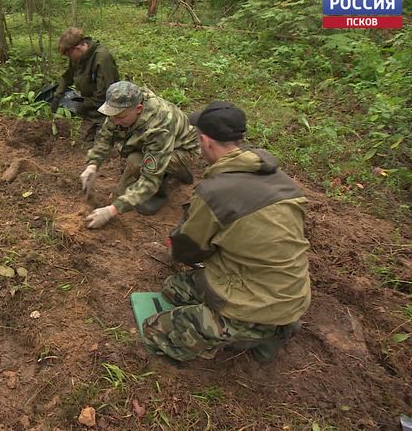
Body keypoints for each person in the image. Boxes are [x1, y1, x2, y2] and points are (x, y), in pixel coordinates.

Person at [141, 101, 311, 363]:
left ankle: (256, 333)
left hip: (254, 301)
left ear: (206, 142)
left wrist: (180, 241)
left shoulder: (215, 193)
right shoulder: (282, 181)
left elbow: (189, 250)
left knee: (156, 330)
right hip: (293, 293)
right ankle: (276, 325)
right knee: (174, 289)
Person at [81, 81, 197, 229]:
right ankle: (170, 169)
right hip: (157, 146)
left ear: (138, 109)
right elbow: (105, 136)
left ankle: (161, 191)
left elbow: (150, 179)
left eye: (120, 117)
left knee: (136, 162)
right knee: (122, 192)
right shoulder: (122, 107)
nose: (115, 121)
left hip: (183, 150)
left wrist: (111, 211)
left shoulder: (159, 126)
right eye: (112, 115)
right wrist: (92, 165)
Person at [52, 27, 119, 142]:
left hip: (106, 111)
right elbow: (68, 76)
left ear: (77, 48)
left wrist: (81, 105)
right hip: (90, 110)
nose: (69, 58)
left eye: (69, 54)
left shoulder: (102, 59)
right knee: (83, 143)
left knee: (102, 147)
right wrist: (58, 96)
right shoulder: (78, 57)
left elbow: (106, 95)